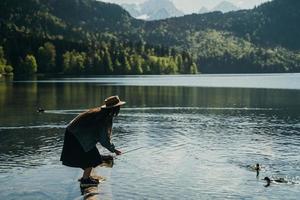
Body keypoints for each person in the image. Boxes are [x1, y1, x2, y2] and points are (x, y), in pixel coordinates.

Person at [60, 96, 125, 187]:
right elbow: (104, 139)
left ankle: (86, 177)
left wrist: (112, 148)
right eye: (119, 107)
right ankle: (85, 181)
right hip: (76, 135)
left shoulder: (99, 113)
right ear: (115, 108)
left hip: (72, 132)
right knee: (93, 157)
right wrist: (114, 150)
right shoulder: (104, 118)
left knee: (91, 155)